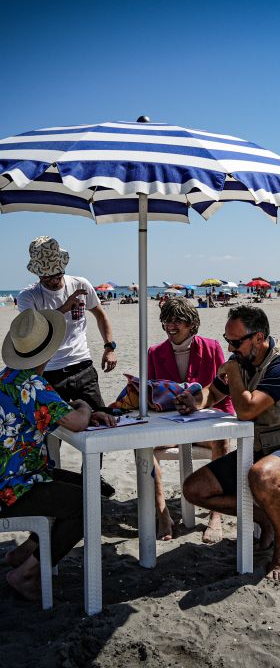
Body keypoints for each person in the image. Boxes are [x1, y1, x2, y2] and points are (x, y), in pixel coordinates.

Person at [176, 305, 280, 582]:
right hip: (259, 450)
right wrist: (194, 402)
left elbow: (246, 410)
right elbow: (213, 392)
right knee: (193, 489)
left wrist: (233, 372)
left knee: (261, 476)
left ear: (259, 338)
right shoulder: (244, 359)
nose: (230, 348)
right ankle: (265, 519)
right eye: (227, 341)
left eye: (235, 342)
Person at [0, 309, 96, 603]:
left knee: (88, 486)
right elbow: (77, 422)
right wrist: (86, 408)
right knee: (87, 505)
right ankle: (26, 574)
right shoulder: (33, 385)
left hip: (15, 476)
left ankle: (25, 551)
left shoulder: (7, 377)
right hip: (13, 487)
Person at [17, 236, 117, 495]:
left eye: (56, 272)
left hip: (83, 367)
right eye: (46, 275)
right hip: (48, 372)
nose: (52, 279)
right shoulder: (28, 296)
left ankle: (93, 477)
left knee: (100, 425)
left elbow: (101, 314)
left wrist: (109, 347)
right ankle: (54, 481)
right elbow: (33, 329)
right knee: (51, 433)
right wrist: (63, 307)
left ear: (63, 265)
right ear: (37, 272)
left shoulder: (80, 284)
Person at [148, 297, 233, 542]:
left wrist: (223, 419)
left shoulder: (212, 347)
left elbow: (223, 391)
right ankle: (163, 512)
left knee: (222, 443)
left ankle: (215, 515)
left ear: (191, 323)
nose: (170, 325)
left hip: (204, 422)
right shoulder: (155, 352)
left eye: (177, 320)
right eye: (166, 320)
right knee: (144, 448)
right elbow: (151, 394)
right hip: (170, 425)